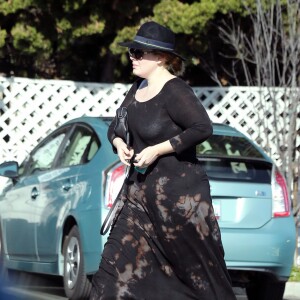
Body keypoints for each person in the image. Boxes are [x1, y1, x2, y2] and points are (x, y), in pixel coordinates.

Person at [90, 21, 236, 300]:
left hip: (179, 204)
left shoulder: (175, 90)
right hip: (139, 201)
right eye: (131, 51)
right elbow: (116, 126)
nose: (131, 56)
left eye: (138, 52)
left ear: (159, 57)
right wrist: (119, 142)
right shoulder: (137, 88)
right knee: (111, 274)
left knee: (203, 281)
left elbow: (202, 127)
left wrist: (158, 149)